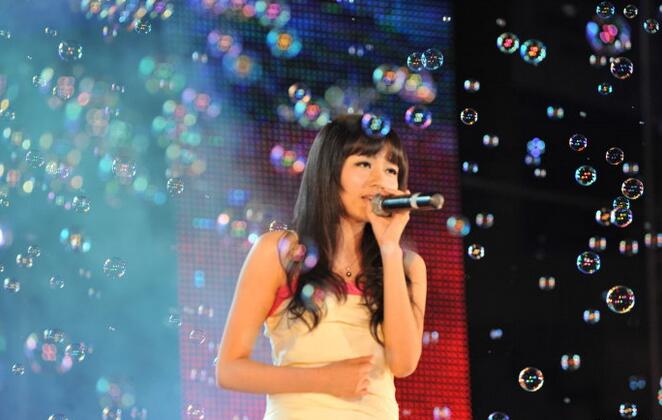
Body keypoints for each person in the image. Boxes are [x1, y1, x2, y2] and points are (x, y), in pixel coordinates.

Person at [216, 114, 428, 419]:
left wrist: (390, 248)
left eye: (391, 170)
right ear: (329, 170)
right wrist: (324, 380)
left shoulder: (407, 265)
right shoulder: (281, 252)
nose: (379, 180)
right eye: (364, 164)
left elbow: (404, 363)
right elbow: (229, 369)